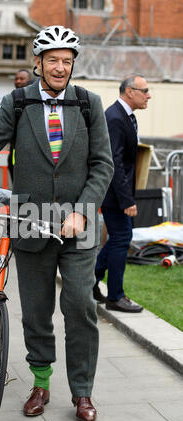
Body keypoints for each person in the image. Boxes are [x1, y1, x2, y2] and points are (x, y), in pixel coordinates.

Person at [0, 25, 114, 421]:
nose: (60, 67)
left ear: (73, 65)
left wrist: (83, 209)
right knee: (36, 313)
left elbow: (102, 165)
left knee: (79, 305)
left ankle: (82, 392)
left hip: (79, 225)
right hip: (29, 222)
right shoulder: (18, 103)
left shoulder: (89, 104)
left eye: (67, 61)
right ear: (37, 63)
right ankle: (41, 383)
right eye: (52, 60)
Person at [93, 73, 151, 312]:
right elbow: (114, 162)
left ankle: (89, 282)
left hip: (117, 193)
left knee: (118, 238)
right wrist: (126, 200)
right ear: (130, 92)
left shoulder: (127, 117)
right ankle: (115, 296)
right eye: (144, 91)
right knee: (121, 239)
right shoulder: (115, 117)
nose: (149, 95)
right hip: (114, 195)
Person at [8, 69, 33, 181]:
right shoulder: (12, 100)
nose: (18, 81)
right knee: (16, 192)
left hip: (32, 157)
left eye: (22, 79)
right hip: (15, 155)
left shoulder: (35, 100)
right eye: (16, 79)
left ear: (30, 80)